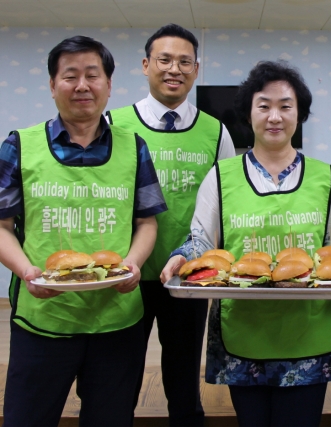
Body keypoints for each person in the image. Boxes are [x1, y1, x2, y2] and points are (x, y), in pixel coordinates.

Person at [160, 60, 331, 427]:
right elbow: (201, 242)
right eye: (264, 105)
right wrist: (181, 258)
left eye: (286, 106)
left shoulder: (326, 176)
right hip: (244, 333)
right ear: (248, 113)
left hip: (310, 334)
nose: (275, 116)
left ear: (299, 114)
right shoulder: (221, 177)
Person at [0, 36, 166, 426]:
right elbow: (2, 227)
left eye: (93, 75)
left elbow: (147, 221)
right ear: (52, 85)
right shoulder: (19, 146)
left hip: (117, 322)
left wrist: (133, 263)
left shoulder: (134, 147)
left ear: (108, 84)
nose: (82, 86)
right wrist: (26, 271)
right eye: (69, 76)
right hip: (44, 318)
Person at [106, 23, 235, 427]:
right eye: (164, 60)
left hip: (187, 276)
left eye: (184, 61)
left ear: (196, 69)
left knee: (182, 375)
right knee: (118, 375)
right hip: (126, 274)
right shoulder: (114, 123)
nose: (173, 69)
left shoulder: (216, 131)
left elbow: (228, 199)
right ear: (146, 65)